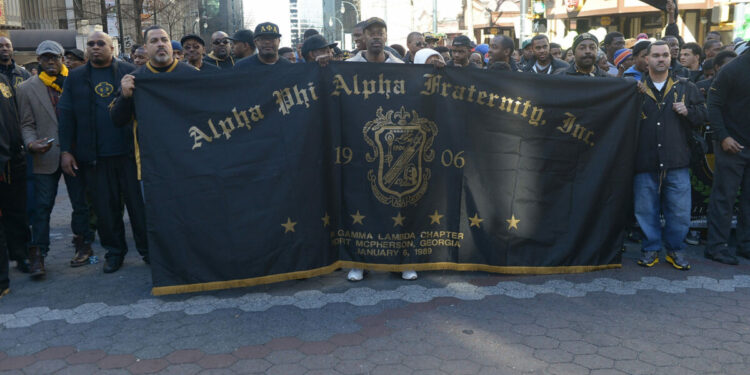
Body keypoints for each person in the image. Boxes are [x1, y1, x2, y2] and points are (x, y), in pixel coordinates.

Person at [58, 31, 148, 274]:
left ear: (112, 47)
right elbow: (66, 115)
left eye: (101, 43)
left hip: (130, 155)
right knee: (105, 211)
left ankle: (148, 252)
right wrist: (65, 150)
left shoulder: (131, 71)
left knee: (139, 209)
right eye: (91, 44)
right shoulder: (75, 77)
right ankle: (114, 253)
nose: (95, 47)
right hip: (96, 157)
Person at [345, 17, 415, 282]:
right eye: (371, 33)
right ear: (362, 36)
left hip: (393, 147)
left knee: (398, 206)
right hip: (358, 145)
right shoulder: (347, 67)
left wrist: (436, 65)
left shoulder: (400, 67)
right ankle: (359, 262)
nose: (376, 37)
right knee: (360, 205)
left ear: (386, 37)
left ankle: (402, 262)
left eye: (381, 33)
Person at [17, 40, 95, 277]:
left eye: (55, 57)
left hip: (76, 153)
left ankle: (83, 245)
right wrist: (31, 143)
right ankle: (38, 254)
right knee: (42, 207)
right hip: (46, 155)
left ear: (63, 59)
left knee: (80, 203)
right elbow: (27, 124)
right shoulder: (27, 88)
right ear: (38, 61)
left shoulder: (78, 80)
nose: (50, 62)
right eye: (45, 58)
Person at [634, 41, 705, 270]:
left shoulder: (685, 87)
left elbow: (705, 114)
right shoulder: (635, 87)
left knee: (680, 213)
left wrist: (689, 111)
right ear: (647, 59)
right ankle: (650, 249)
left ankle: (675, 250)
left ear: (670, 58)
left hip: (677, 161)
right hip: (644, 161)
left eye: (665, 55)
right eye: (656, 55)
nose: (661, 59)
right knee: (646, 210)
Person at [705, 45, 750, 265]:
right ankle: (716, 247)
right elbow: (713, 105)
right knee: (724, 197)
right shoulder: (732, 69)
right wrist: (723, 137)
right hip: (731, 144)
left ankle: (746, 244)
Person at [0, 72, 29, 298]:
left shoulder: (3, 78)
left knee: (17, 212)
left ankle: (21, 255)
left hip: (11, 159)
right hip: (4, 158)